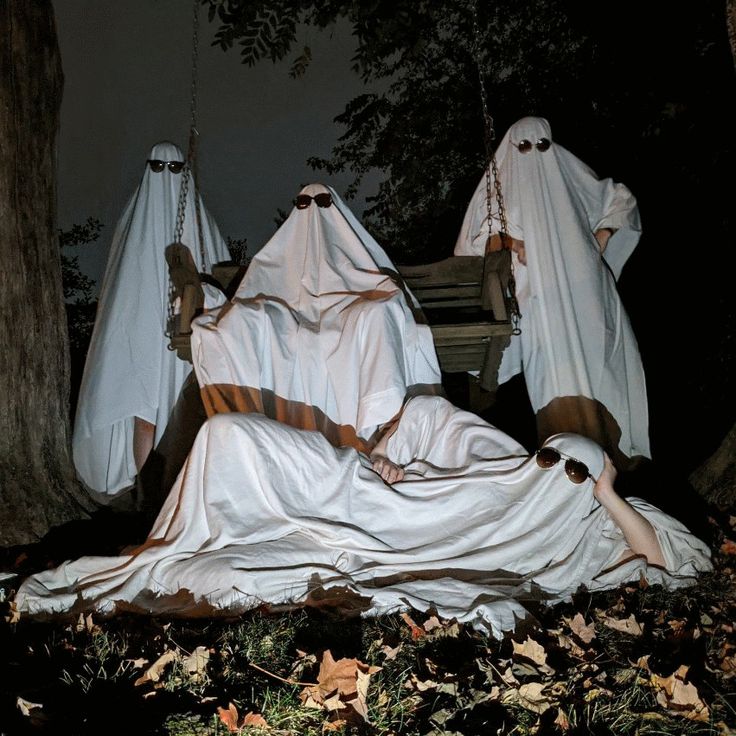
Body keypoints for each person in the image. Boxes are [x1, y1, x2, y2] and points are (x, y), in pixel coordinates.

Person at [14, 396, 711, 638]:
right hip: (372, 496)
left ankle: (179, 554)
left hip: (381, 549)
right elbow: (436, 422)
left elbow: (667, 562)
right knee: (231, 437)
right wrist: (389, 459)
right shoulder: (508, 467)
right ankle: (186, 526)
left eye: (576, 475)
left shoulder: (598, 530)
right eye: (550, 458)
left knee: (231, 572)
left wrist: (608, 496)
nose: (551, 475)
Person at [455, 117, 649, 472]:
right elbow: (478, 243)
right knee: (555, 387)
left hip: (587, 297)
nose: (535, 153)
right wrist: (515, 244)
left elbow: (621, 201)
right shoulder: (500, 189)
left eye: (541, 144)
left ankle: (624, 469)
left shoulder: (568, 176)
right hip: (540, 310)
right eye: (524, 147)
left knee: (606, 377)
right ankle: (576, 473)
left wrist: (600, 237)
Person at [190, 182, 443, 453]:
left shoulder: (361, 263)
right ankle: (258, 440)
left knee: (377, 313)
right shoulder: (278, 260)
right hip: (295, 322)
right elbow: (254, 294)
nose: (313, 213)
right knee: (243, 319)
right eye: (303, 204)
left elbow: (387, 296)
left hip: (348, 319)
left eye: (323, 202)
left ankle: (385, 438)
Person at [72, 141, 231, 502]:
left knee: (184, 410)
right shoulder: (134, 231)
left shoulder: (199, 225)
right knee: (142, 408)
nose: (166, 178)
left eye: (174, 171)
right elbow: (121, 293)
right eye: (157, 169)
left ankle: (184, 490)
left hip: (188, 340)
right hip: (141, 338)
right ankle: (147, 495)